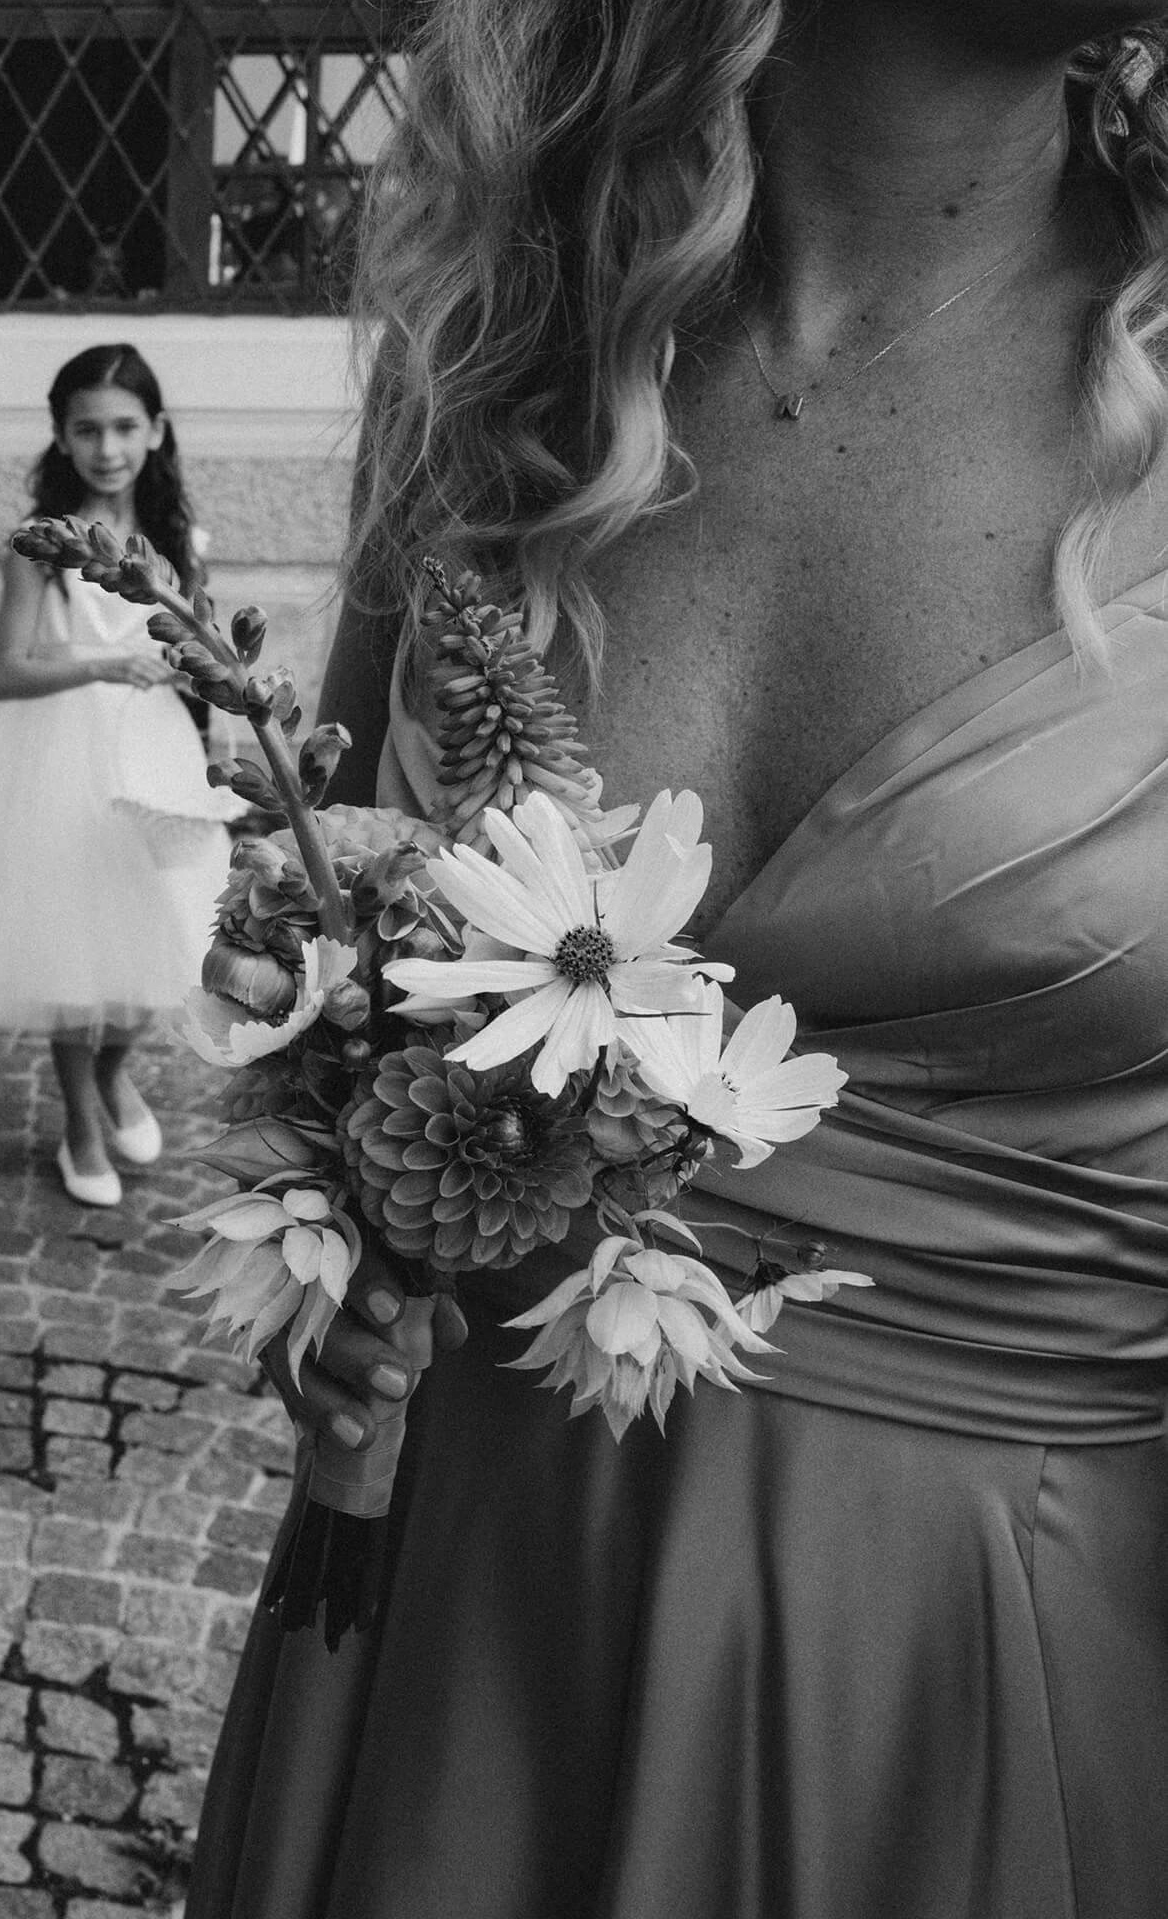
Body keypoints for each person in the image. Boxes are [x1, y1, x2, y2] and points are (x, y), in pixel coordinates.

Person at [187, 4, 1168, 1914]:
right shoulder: (489, 372)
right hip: (468, 1626)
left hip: (988, 1679)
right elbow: (337, 922)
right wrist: (348, 1257)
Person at [0, 344, 239, 1207]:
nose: (108, 447)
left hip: (154, 754)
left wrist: (222, 734)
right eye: (88, 429)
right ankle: (81, 1121)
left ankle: (114, 1076)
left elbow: (200, 652)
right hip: (58, 753)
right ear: (62, 435)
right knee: (73, 947)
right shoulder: (38, 547)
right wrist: (100, 667)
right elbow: (7, 672)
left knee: (163, 938)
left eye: (125, 427)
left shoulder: (178, 541)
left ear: (156, 431)